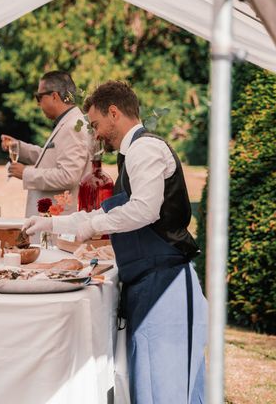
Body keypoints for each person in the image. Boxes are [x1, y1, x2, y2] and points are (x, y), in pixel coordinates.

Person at [23, 80, 207, 403]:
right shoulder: (130, 155)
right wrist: (50, 223)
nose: (95, 134)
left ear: (113, 113)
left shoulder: (145, 149)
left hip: (167, 286)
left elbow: (143, 211)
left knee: (168, 389)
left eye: (95, 125)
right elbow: (99, 213)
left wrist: (91, 224)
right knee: (149, 387)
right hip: (147, 283)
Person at [0, 70, 92, 217]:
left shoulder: (72, 127)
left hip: (58, 224)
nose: (38, 104)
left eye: (39, 97)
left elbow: (68, 176)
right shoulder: (68, 122)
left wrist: (26, 173)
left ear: (54, 96)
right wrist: (18, 147)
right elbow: (50, 158)